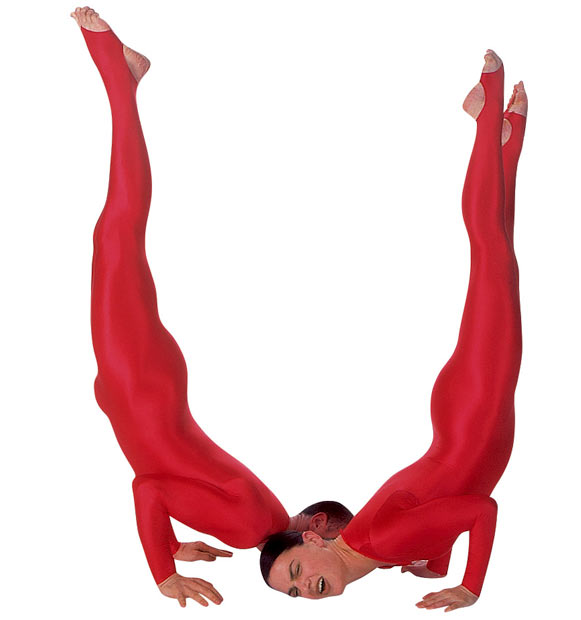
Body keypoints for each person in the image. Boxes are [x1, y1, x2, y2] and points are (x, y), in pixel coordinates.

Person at [70, 6, 353, 608]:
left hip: (137, 391)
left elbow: (172, 482)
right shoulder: (253, 528)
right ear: (316, 531)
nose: (302, 581)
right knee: (117, 231)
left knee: (117, 234)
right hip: (140, 382)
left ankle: (124, 83)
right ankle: (122, 81)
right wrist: (163, 573)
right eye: (312, 575)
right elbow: (149, 490)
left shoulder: (260, 523)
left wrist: (175, 544)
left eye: (297, 590)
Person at [260, 49, 527, 612]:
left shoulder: (378, 543)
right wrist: (434, 564)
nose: (305, 587)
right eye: (295, 591)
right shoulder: (377, 551)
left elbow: (481, 511)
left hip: (475, 408)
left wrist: (470, 586)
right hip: (465, 416)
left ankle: (489, 115)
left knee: (491, 252)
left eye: (296, 570)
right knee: (497, 257)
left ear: (313, 539)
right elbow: (440, 516)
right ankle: (506, 137)